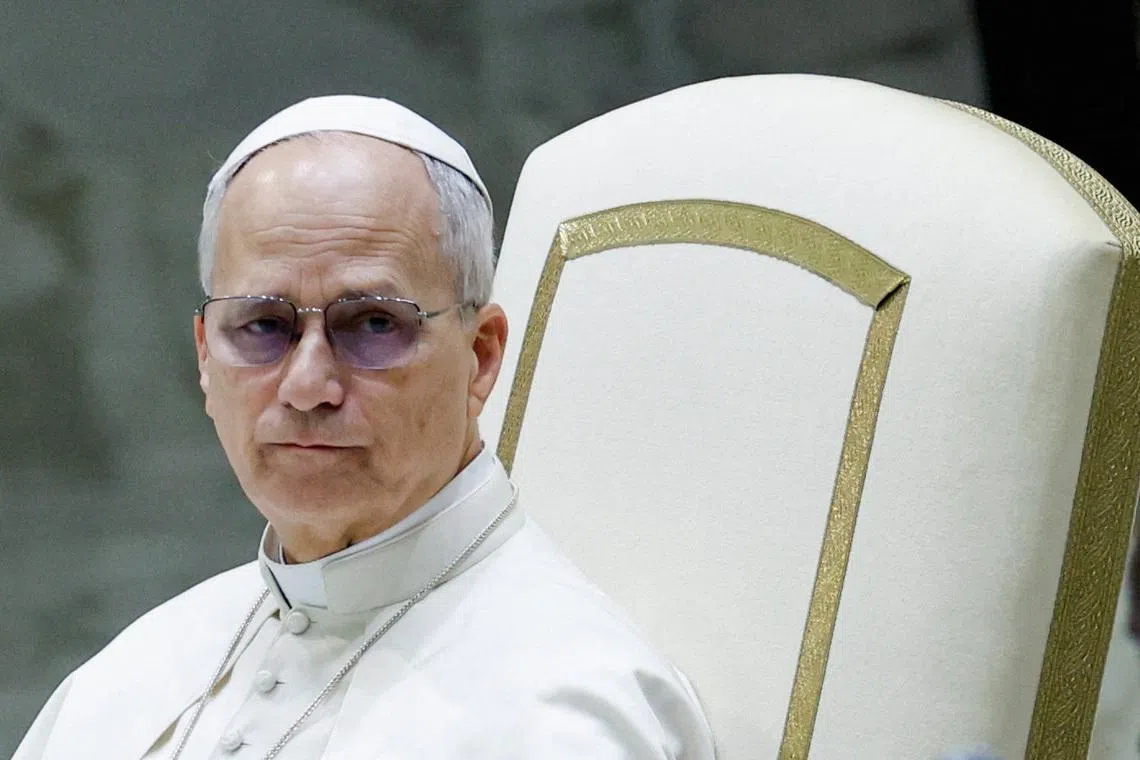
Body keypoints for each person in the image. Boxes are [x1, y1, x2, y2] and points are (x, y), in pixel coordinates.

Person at [13, 95, 716, 759]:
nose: (307, 386)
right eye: (262, 325)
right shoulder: (128, 678)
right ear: (204, 356)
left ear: (480, 356)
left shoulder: (567, 713)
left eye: (374, 324)